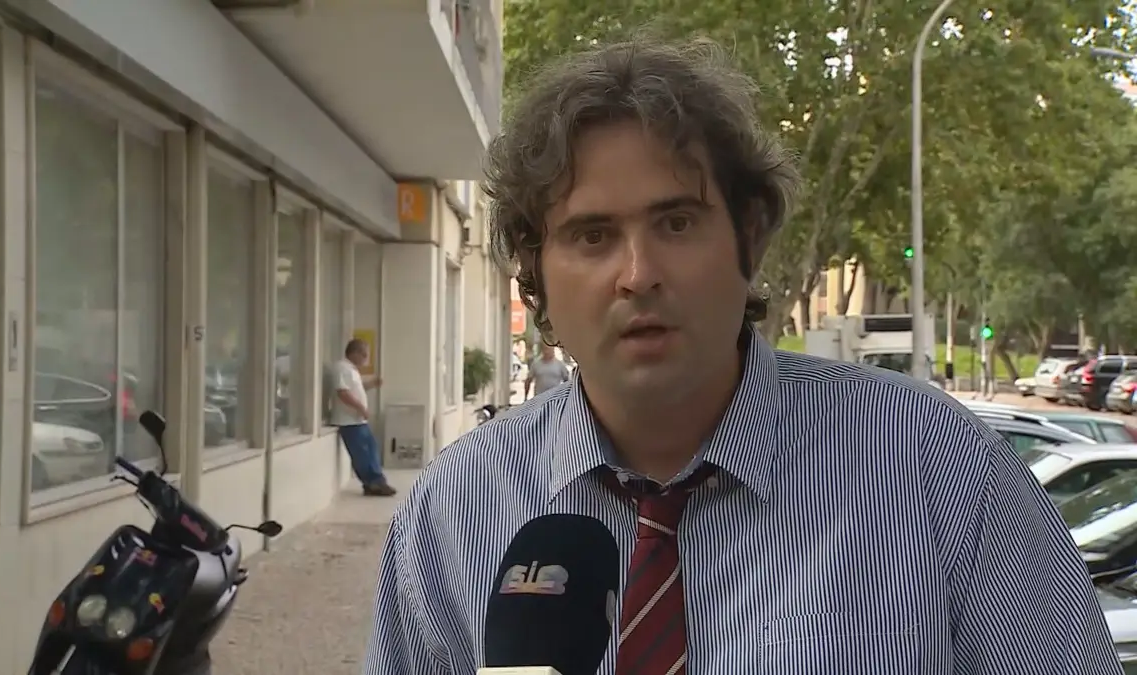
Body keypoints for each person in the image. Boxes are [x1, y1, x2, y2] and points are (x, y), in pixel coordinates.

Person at [364, 37, 1120, 674]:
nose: (638, 274)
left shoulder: (939, 470)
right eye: (592, 236)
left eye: (677, 222)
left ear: (748, 237)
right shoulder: (451, 513)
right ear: (536, 272)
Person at [334, 338, 395, 497]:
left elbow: (356, 389)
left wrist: (372, 384)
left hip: (358, 420)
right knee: (362, 453)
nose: (366, 359)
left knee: (371, 448)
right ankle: (373, 482)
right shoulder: (342, 368)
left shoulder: (352, 370)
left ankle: (375, 481)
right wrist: (360, 408)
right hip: (349, 421)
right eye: (364, 355)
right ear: (354, 353)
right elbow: (343, 392)